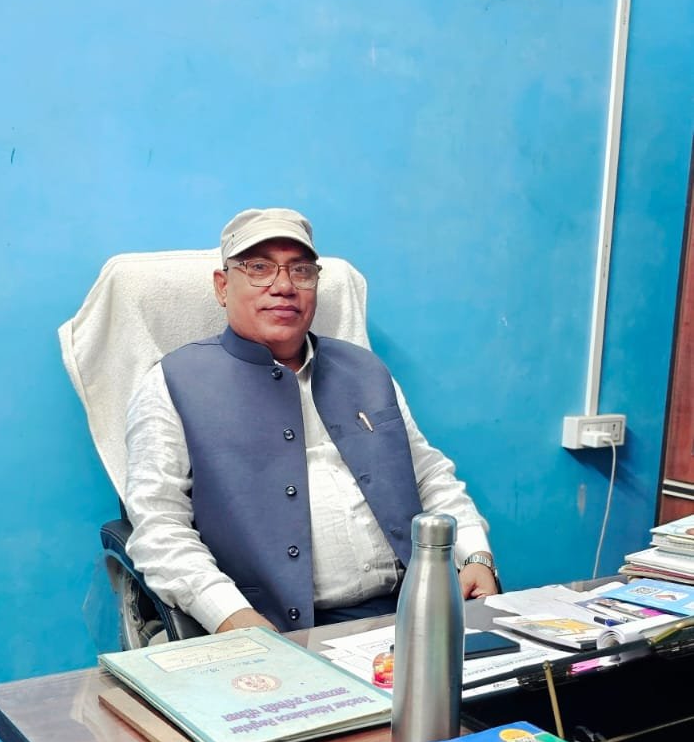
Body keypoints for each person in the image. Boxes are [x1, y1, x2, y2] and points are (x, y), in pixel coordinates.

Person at [124, 207, 499, 635]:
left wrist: (476, 555)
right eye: (259, 268)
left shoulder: (366, 370)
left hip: (417, 610)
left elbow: (429, 476)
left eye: (301, 270)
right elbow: (159, 526)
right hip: (279, 630)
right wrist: (232, 617)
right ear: (223, 286)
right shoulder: (172, 383)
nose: (284, 286)